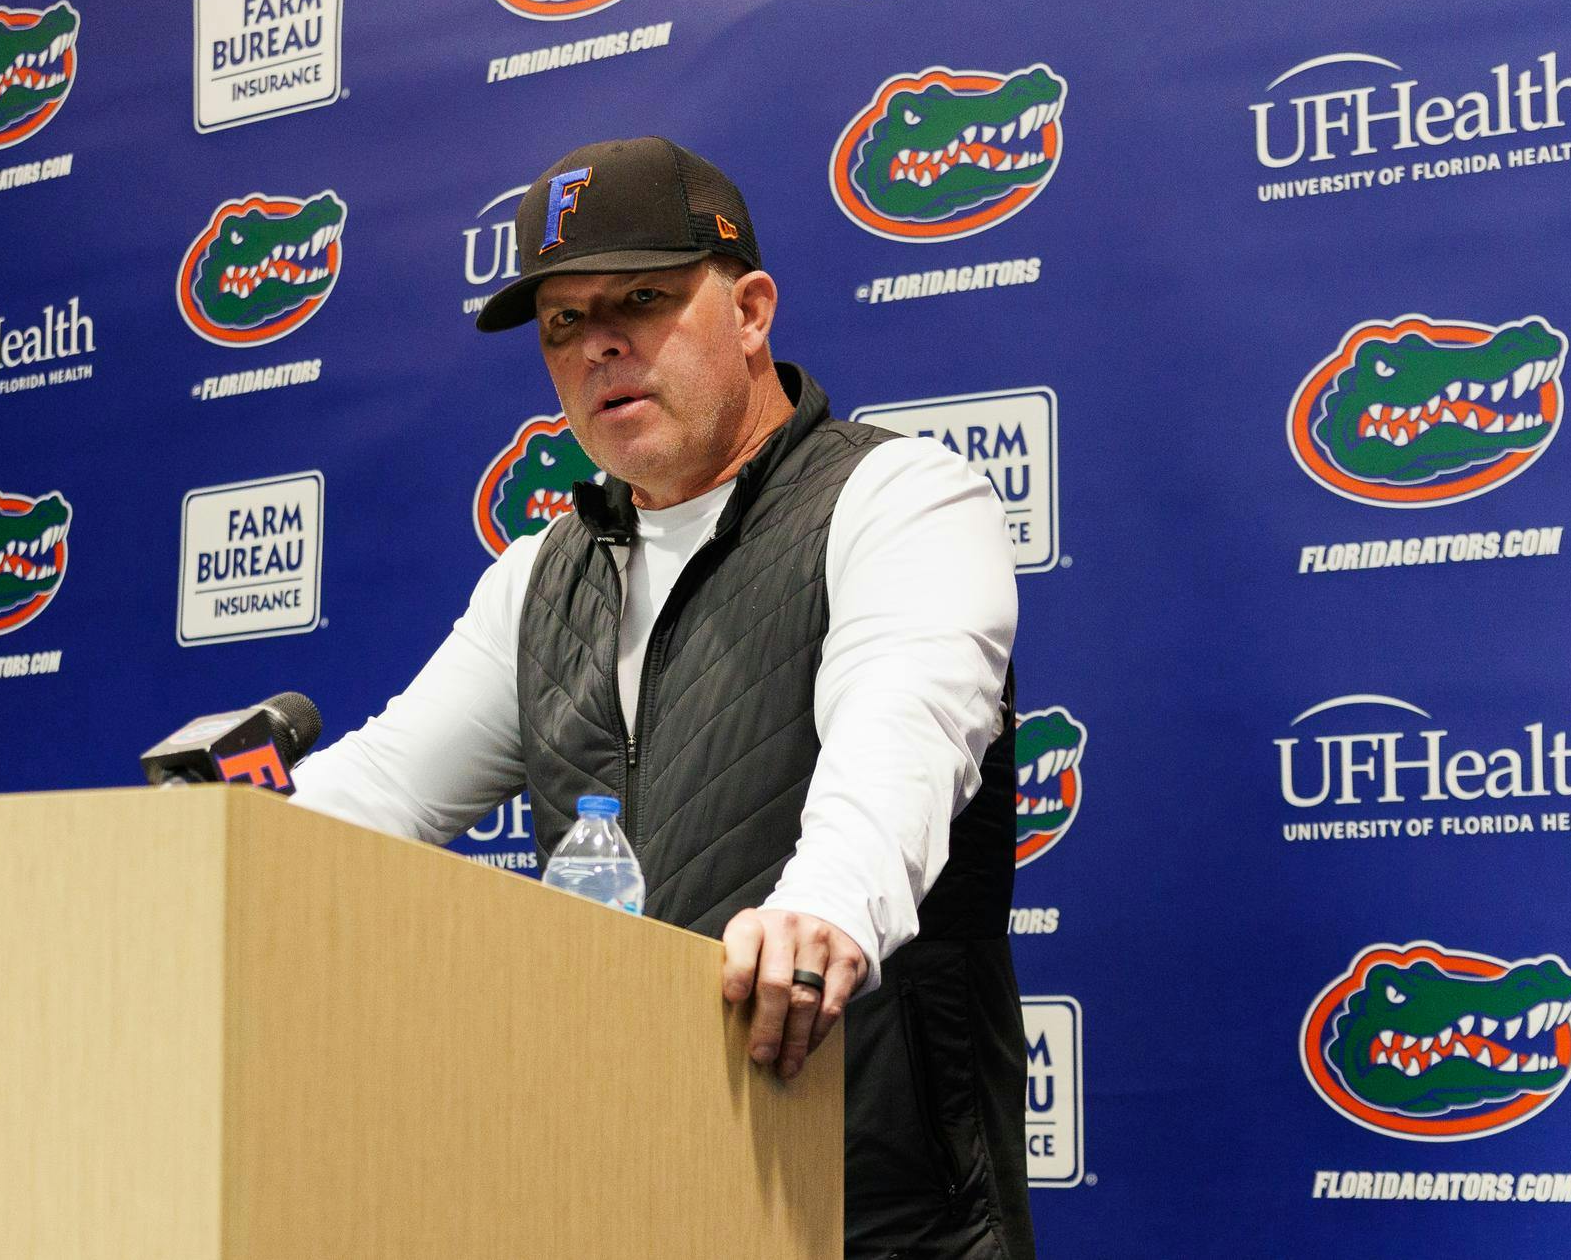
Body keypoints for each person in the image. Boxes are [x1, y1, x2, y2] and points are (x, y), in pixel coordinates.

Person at [291, 136, 1032, 1259]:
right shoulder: (540, 574)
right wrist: (190, 845)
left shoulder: (900, 498)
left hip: (871, 1217)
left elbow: (902, 733)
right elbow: (382, 784)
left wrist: (821, 906)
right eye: (562, 323)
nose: (600, 345)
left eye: (640, 299)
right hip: (619, 1195)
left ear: (749, 310)